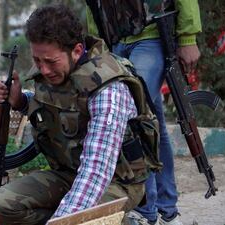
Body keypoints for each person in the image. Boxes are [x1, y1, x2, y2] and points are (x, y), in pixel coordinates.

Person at [0, 4, 161, 225]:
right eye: (37, 60)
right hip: (69, 173)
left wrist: (64, 220)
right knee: (0, 205)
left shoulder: (108, 89)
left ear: (77, 51)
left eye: (50, 61)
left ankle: (122, 221)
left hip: (115, 182)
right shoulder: (56, 71)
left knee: (84, 220)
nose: (44, 69)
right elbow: (56, 106)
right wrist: (20, 100)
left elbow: (96, 171)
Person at [85, 1, 202, 224]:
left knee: (132, 112)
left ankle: (146, 211)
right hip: (116, 42)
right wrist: (97, 47)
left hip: (152, 34)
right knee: (150, 123)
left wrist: (188, 37)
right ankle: (167, 211)